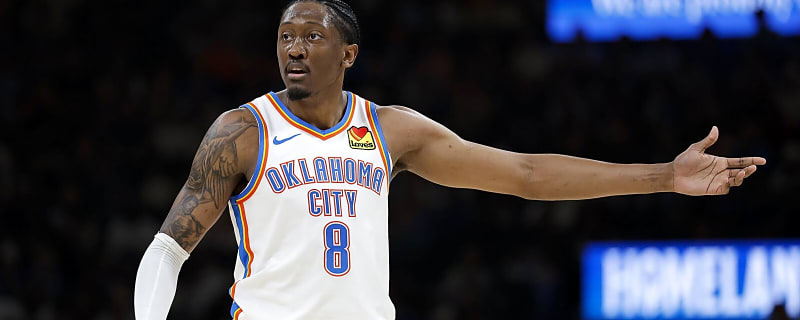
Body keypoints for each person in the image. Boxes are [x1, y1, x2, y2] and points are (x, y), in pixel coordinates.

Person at [133, 0, 767, 319]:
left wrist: (663, 176)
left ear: (349, 54)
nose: (295, 49)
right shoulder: (243, 130)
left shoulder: (390, 130)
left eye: (312, 37)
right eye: (285, 37)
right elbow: (168, 249)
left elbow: (525, 174)